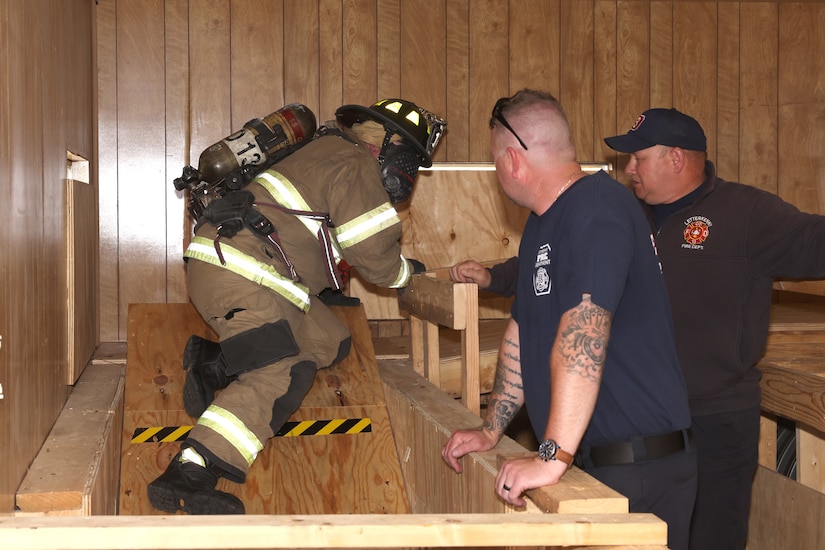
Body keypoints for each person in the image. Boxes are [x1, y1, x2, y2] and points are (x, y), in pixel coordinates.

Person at [148, 98, 445, 515]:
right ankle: (192, 469)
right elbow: (372, 255)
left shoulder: (329, 149)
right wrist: (406, 275)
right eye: (410, 159)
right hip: (242, 272)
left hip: (237, 266)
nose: (408, 173)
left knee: (329, 340)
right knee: (278, 369)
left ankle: (216, 360)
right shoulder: (357, 163)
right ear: (389, 144)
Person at [441, 90, 697, 550]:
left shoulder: (595, 211)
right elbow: (523, 334)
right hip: (593, 463)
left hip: (638, 468)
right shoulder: (544, 221)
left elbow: (586, 330)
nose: (498, 172)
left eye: (496, 160)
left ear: (514, 161)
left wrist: (550, 456)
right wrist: (490, 428)